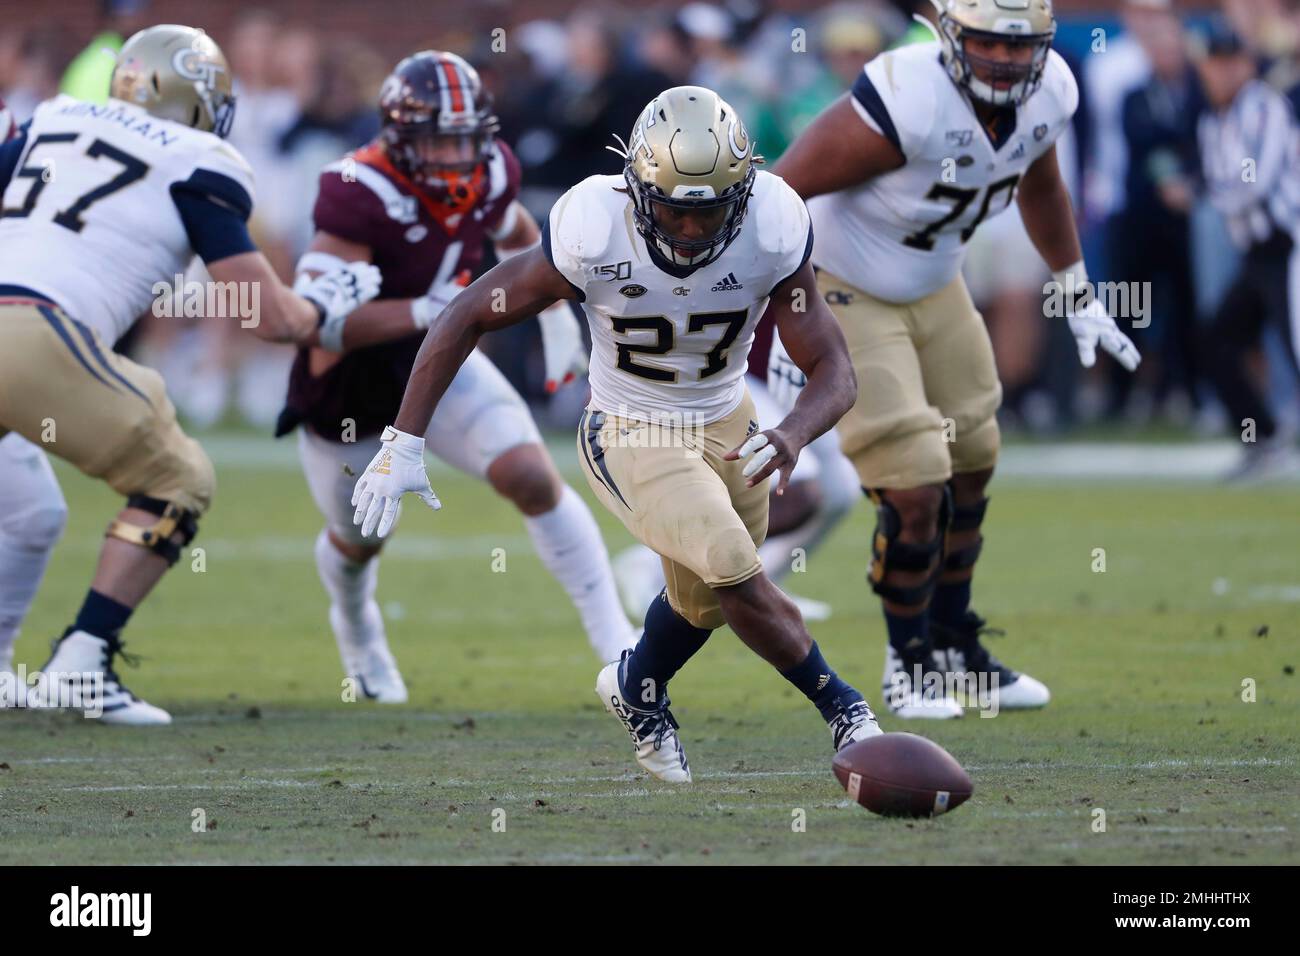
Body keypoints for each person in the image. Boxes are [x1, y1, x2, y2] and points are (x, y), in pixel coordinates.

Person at [349, 86, 882, 782]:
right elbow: (467, 312)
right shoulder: (593, 226)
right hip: (631, 423)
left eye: (709, 212)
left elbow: (834, 367)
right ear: (635, 189)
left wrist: (792, 432)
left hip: (730, 420)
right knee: (731, 565)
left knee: (704, 600)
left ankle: (636, 686)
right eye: (674, 212)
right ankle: (847, 711)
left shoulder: (774, 222)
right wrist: (404, 440)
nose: (690, 233)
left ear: (743, 193)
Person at [0, 25, 380, 723]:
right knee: (179, 479)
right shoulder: (198, 158)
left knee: (31, 513)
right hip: (35, 331)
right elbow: (265, 315)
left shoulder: (46, 120)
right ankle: (82, 659)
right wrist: (322, 305)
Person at [773, 0, 1140, 717]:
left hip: (938, 283)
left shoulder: (1054, 89)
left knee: (972, 459)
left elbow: (1040, 182)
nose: (1005, 60)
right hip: (846, 285)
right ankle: (906, 663)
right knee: (913, 481)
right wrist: (787, 318)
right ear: (948, 34)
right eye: (986, 42)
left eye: (1019, 45)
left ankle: (952, 645)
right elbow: (780, 193)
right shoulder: (907, 96)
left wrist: (1073, 285)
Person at [279, 51, 636, 701]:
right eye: (441, 141)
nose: (458, 157)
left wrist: (556, 310)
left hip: (441, 364)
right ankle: (357, 626)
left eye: (467, 139)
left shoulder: (491, 166)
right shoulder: (357, 192)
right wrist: (424, 308)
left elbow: (519, 231)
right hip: (352, 388)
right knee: (360, 541)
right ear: (401, 138)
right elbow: (316, 325)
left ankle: (618, 646)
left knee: (531, 475)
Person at [1196, 26, 1300, 480]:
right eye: (1216, 63)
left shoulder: (1266, 106)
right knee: (1217, 339)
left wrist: (1211, 191)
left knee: (1296, 348)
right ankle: (1264, 438)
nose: (1224, 72)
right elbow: (1226, 183)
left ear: (1247, 64)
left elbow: (1253, 182)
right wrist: (1219, 189)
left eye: (1232, 62)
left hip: (1290, 245)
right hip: (1256, 255)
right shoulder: (1211, 120)